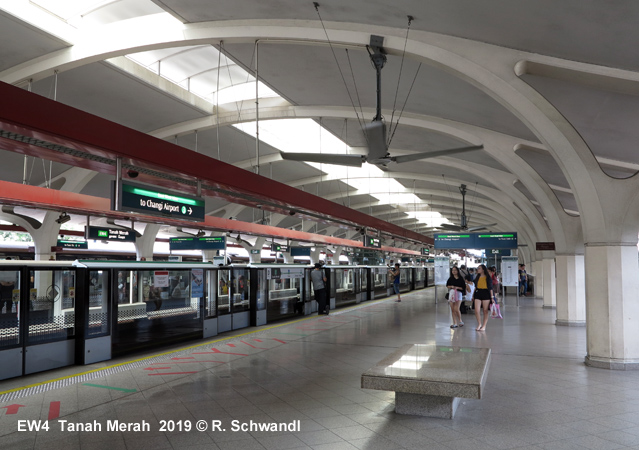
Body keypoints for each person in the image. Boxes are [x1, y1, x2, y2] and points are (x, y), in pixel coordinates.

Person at [472, 264, 494, 331]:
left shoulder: (488, 277)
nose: (478, 270)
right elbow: (475, 287)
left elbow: (490, 288)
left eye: (479, 268)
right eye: (478, 268)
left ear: (483, 270)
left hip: (486, 293)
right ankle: (479, 324)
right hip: (478, 293)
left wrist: (492, 297)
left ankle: (484, 325)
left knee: (485, 310)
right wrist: (473, 295)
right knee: (477, 310)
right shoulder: (477, 277)